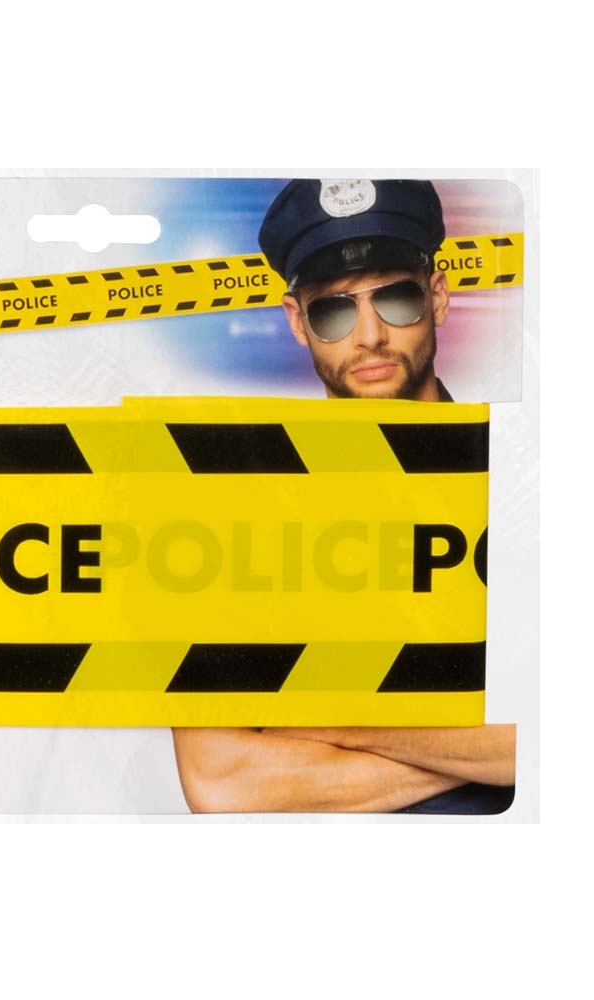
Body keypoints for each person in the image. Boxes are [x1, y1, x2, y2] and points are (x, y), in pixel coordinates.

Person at [172, 179, 515, 814]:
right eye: (333, 310)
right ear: (296, 321)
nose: (370, 336)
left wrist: (320, 720)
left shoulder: (530, 485)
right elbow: (221, 783)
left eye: (397, 299)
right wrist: (482, 751)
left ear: (438, 296)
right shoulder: (238, 513)